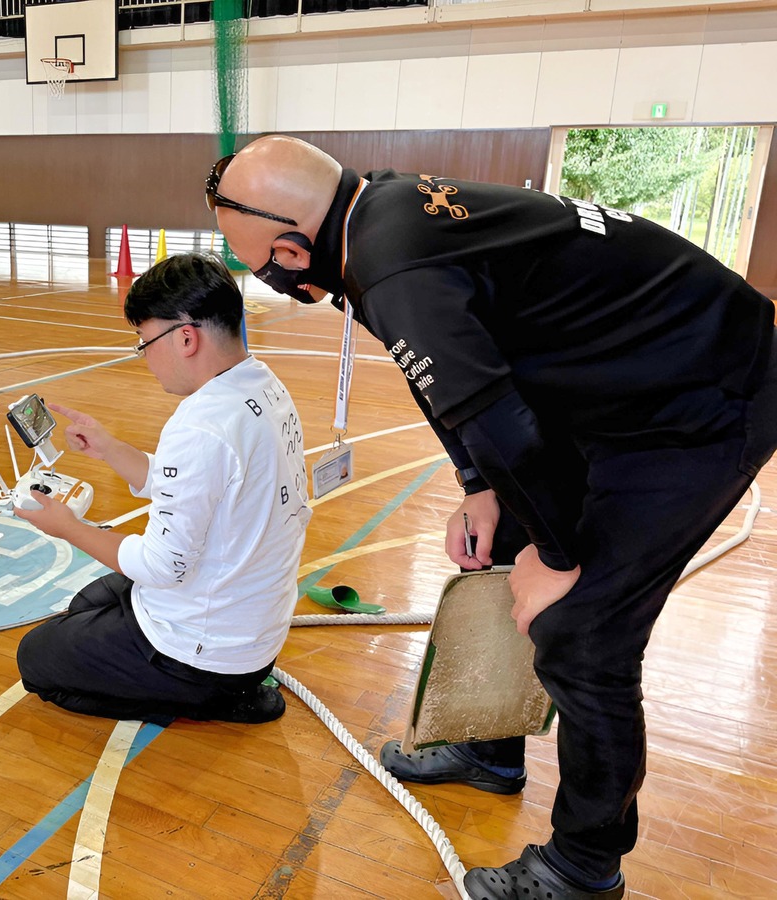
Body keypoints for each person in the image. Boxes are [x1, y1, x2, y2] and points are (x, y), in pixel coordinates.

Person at [209, 135, 777, 900]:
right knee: (504, 537)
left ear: (290, 247)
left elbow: (505, 425)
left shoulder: (392, 259)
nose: (263, 275)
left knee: (584, 632)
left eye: (258, 261)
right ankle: (490, 750)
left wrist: (561, 552)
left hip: (703, 400)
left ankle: (584, 865)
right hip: (625, 382)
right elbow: (449, 385)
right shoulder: (374, 217)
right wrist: (479, 483)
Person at [14, 252, 312, 725]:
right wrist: (110, 448)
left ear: (186, 337)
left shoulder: (201, 424)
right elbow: (199, 485)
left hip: (207, 653)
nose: (146, 358)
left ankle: (208, 699)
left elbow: (161, 565)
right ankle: (222, 685)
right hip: (249, 627)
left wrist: (67, 527)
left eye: (145, 343)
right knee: (85, 606)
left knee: (35, 660)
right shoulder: (262, 385)